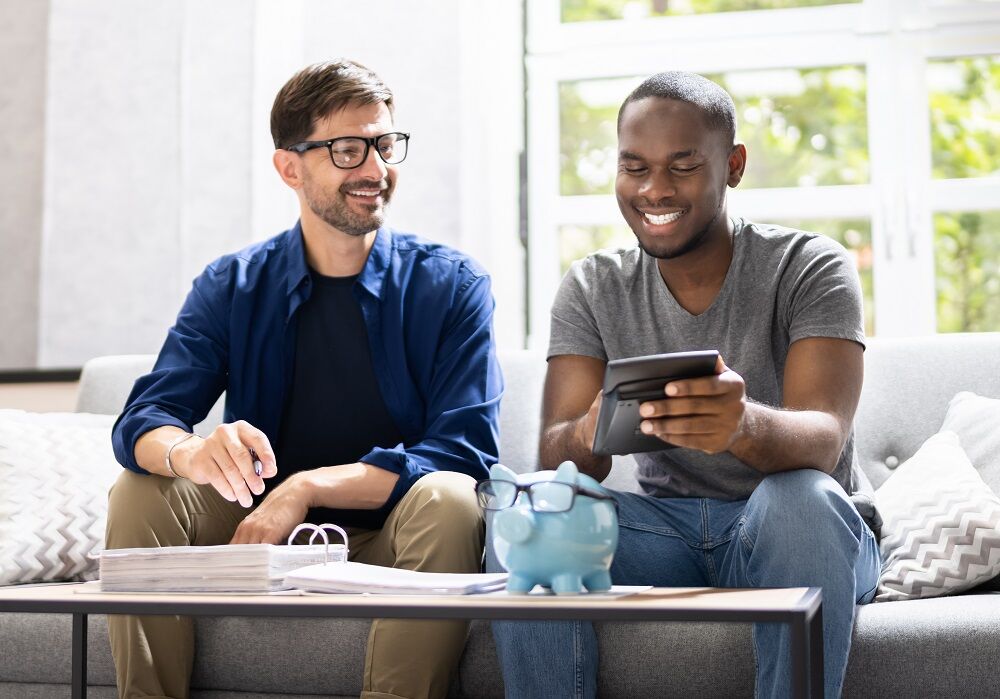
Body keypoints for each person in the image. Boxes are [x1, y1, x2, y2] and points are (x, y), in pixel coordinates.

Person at [107, 59, 502, 699]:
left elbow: (461, 450)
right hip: (252, 533)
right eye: (348, 150)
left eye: (386, 144)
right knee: (140, 489)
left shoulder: (454, 285)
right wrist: (192, 452)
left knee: (452, 498)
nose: (376, 170)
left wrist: (303, 487)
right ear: (290, 167)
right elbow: (143, 423)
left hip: (393, 532)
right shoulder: (232, 284)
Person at [487, 71, 881, 698]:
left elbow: (823, 441)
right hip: (660, 534)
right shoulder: (593, 286)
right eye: (634, 166)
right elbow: (555, 457)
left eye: (682, 166)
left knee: (800, 497)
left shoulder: (810, 266)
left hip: (793, 534)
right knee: (536, 507)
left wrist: (741, 425)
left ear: (733, 165)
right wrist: (592, 430)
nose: (653, 190)